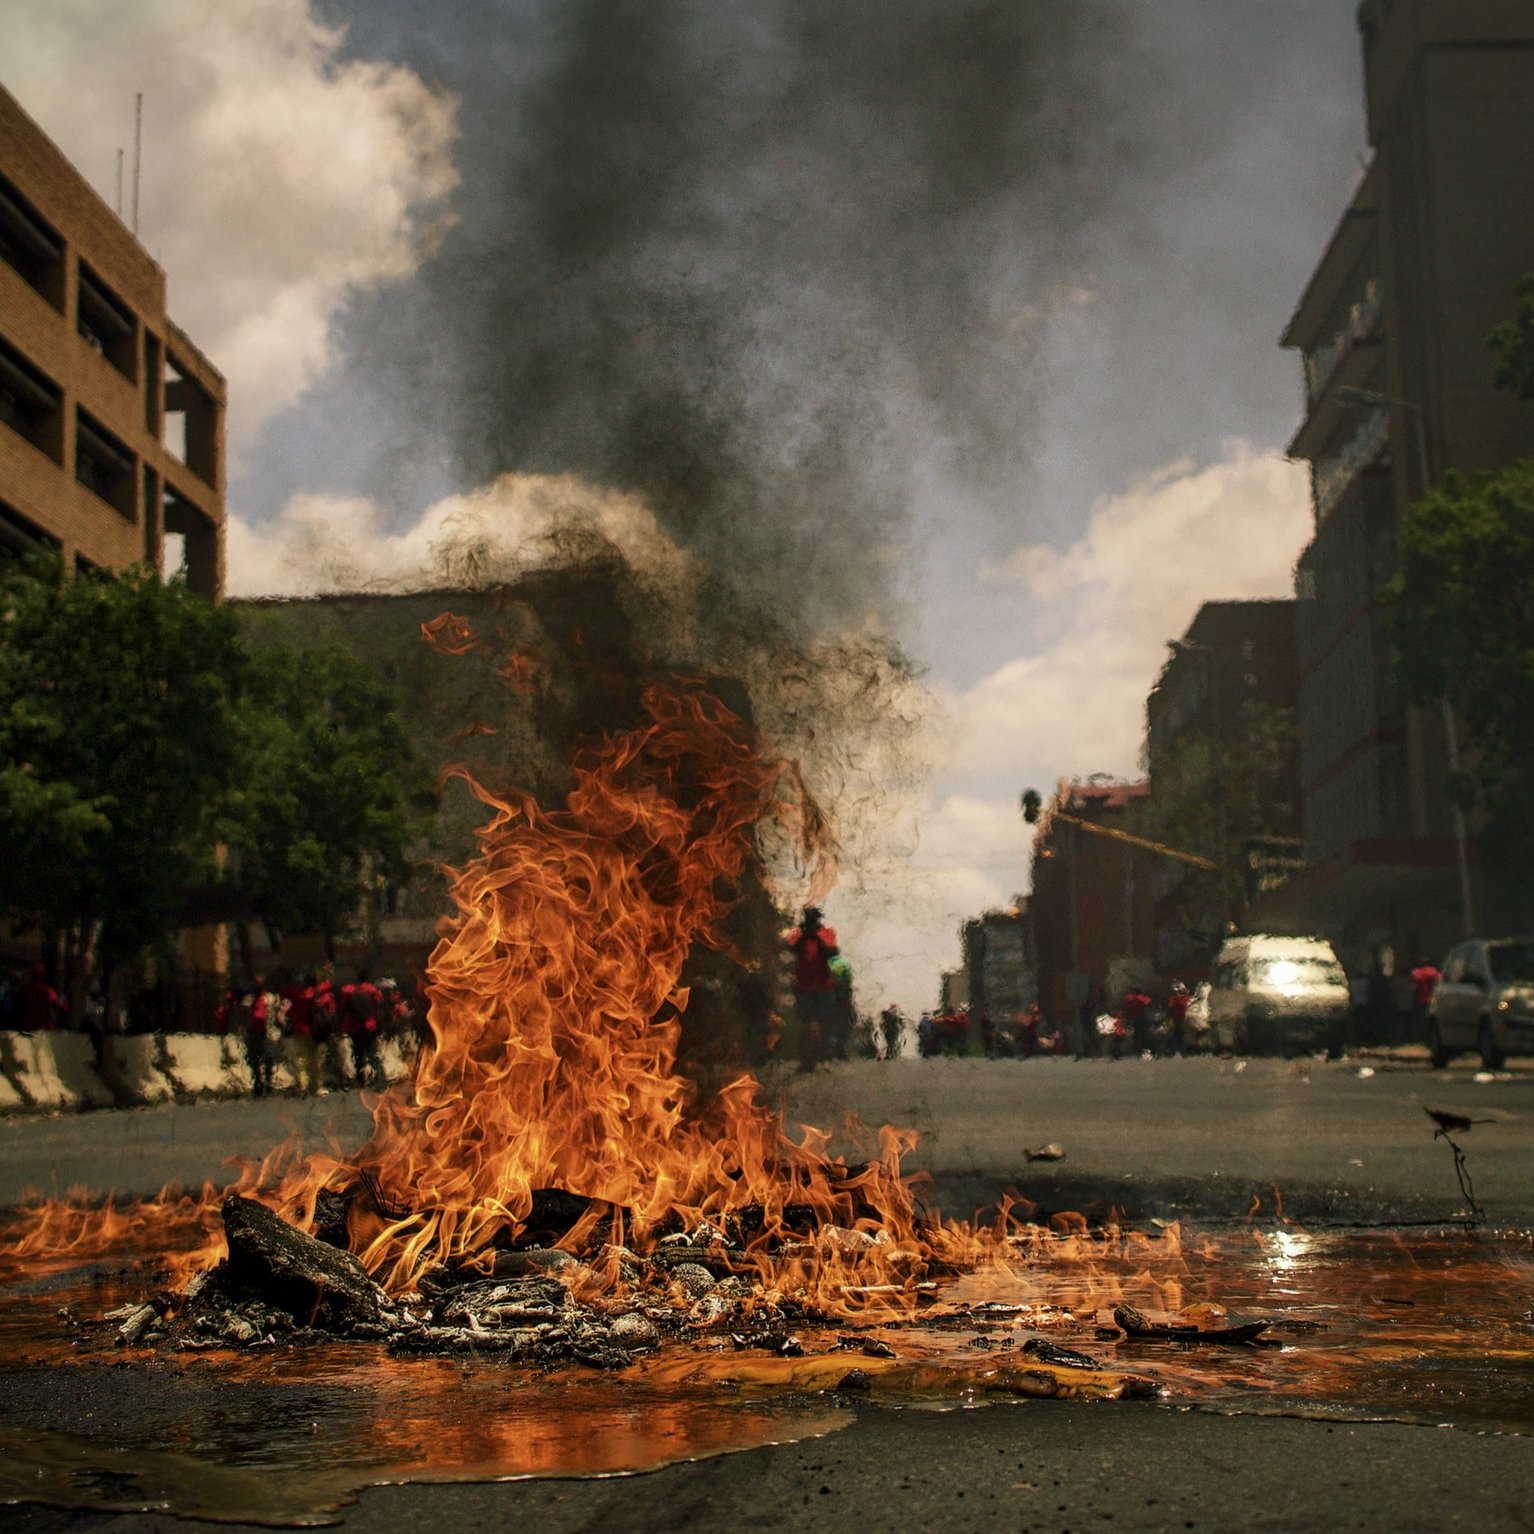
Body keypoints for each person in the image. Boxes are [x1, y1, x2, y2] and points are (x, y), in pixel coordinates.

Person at [787, 907, 838, 1072]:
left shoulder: (827, 932)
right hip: (803, 986)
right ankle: (806, 1061)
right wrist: (804, 936)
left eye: (814, 919)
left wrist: (816, 936)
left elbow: (831, 952)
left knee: (826, 1023)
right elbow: (790, 948)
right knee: (805, 1024)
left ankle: (826, 1058)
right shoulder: (797, 935)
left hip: (824, 985)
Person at [340, 970, 384, 1087]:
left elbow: (344, 1007)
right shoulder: (373, 991)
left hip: (355, 1027)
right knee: (371, 1051)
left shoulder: (351, 991)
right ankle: (373, 1075)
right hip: (370, 1025)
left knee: (358, 1051)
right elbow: (379, 1006)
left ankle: (361, 1077)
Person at [1166, 981, 1192, 1056]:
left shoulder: (1186, 998)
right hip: (1177, 1020)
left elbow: (1188, 1004)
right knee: (1177, 1034)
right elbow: (1171, 1006)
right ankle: (1176, 1049)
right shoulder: (1173, 999)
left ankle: (1181, 1049)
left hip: (1185, 1019)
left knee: (1182, 1034)